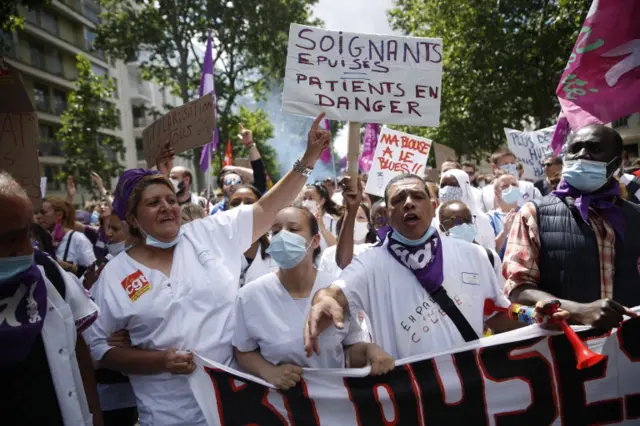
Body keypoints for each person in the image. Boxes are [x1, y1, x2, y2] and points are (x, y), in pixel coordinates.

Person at [84, 113, 332, 426]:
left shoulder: (209, 233)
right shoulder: (114, 276)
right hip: (167, 416)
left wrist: (308, 157)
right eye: (153, 203)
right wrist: (159, 360)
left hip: (237, 406)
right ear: (132, 219)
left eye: (170, 199)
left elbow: (269, 207)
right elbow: (100, 348)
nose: (167, 207)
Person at [303, 174, 531, 361]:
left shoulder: (474, 255)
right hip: (411, 399)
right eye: (398, 199)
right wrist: (323, 300)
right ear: (388, 215)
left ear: (433, 207)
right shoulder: (369, 263)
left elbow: (497, 313)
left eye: (417, 196)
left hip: (470, 391)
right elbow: (334, 294)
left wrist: (532, 317)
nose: (409, 202)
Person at [233, 207, 393, 389]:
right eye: (276, 231)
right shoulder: (250, 296)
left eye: (293, 229)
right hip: (281, 407)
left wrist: (369, 351)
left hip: (333, 403)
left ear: (315, 240)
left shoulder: (338, 291)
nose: (283, 237)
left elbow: (349, 351)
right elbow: (243, 351)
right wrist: (268, 371)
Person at [504, 124, 640, 330]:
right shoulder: (533, 214)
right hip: (565, 351)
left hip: (630, 350)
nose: (582, 155)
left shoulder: (636, 215)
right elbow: (518, 288)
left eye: (594, 149)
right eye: (575, 148)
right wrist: (579, 311)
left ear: (617, 162)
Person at [0, 172, 102, 426]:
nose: (26, 248)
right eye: (11, 239)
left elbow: (78, 350)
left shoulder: (49, 273)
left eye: (30, 233)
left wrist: (94, 415)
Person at [319, 179, 378, 277]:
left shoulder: (378, 253)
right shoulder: (329, 254)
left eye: (360, 217)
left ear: (369, 225)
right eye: (351, 217)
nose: (354, 222)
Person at [438, 200, 503, 285]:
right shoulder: (437, 260)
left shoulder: (490, 257)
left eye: (468, 219)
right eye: (457, 221)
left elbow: (499, 292)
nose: (464, 225)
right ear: (442, 227)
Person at [210, 125, 268, 215]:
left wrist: (249, 144)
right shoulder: (216, 211)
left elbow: (259, 174)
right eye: (228, 182)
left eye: (237, 182)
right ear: (221, 189)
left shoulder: (253, 205)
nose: (233, 185)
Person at [228, 184, 277, 287]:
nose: (241, 207)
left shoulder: (277, 254)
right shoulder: (215, 250)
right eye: (235, 203)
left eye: (249, 202)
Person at [438, 169, 496, 250]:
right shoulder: (433, 219)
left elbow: (490, 250)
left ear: (465, 186)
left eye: (453, 184)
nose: (447, 188)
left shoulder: (481, 219)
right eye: (443, 185)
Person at [38, 197, 97, 277]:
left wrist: (64, 265)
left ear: (59, 215)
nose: (38, 216)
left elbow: (92, 272)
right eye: (37, 213)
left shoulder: (78, 238)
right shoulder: (41, 240)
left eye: (43, 212)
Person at [300, 182, 342, 250]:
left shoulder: (332, 221)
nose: (306, 202)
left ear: (322, 201)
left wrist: (322, 227)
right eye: (304, 198)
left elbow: (336, 248)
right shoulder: (300, 221)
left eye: (310, 198)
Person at [487, 174, 520, 259]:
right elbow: (490, 252)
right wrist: (504, 232)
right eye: (505, 186)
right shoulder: (489, 218)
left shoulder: (527, 213)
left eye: (514, 184)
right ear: (496, 192)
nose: (511, 188)